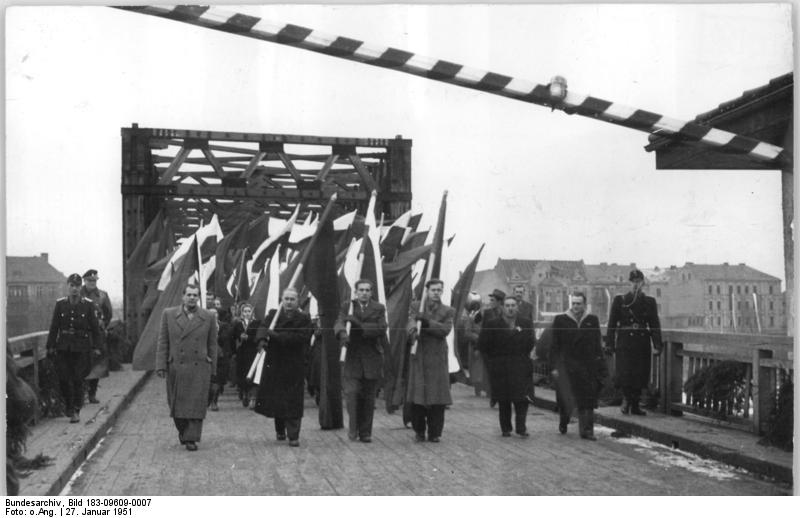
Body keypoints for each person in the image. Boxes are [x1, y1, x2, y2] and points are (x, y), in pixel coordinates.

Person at [156, 284, 218, 451]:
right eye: (189, 294)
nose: (192, 298)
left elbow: (213, 344)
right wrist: (161, 365)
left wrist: (214, 369)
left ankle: (191, 438)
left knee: (196, 405)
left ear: (198, 297)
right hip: (176, 366)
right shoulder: (169, 314)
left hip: (200, 367)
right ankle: (184, 430)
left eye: (195, 295)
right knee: (176, 405)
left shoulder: (208, 316)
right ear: (183, 296)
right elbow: (163, 341)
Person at [253, 288, 314, 447]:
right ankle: (280, 430)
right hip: (275, 363)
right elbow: (262, 327)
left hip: (294, 364)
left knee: (293, 400)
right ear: (282, 300)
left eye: (292, 299)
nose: (288, 302)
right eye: (286, 299)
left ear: (297, 301)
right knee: (277, 398)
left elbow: (301, 337)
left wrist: (276, 336)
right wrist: (261, 340)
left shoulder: (304, 319)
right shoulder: (273, 315)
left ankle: (293, 435)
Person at [335, 279, 388, 443]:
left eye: (367, 290)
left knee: (368, 398)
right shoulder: (347, 306)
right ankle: (353, 430)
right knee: (352, 395)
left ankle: (365, 432)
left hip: (371, 358)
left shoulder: (378, 308)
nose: (364, 293)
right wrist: (343, 334)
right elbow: (338, 322)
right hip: (352, 357)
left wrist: (358, 325)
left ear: (371, 292)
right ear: (356, 292)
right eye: (361, 290)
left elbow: (381, 328)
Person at [46, 273, 102, 423]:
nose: (75, 289)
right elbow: (54, 327)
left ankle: (76, 410)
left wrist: (97, 346)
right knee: (63, 379)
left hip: (82, 348)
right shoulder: (60, 304)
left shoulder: (88, 304)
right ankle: (69, 406)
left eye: (77, 286)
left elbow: (95, 328)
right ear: (68, 286)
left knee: (78, 380)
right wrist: (50, 346)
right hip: (63, 348)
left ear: (80, 287)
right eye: (72, 286)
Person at [551, 292, 607, 440]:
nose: (576, 306)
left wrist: (600, 364)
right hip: (567, 366)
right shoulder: (561, 320)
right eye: (574, 303)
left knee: (587, 399)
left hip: (586, 367)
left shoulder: (591, 320)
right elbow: (555, 346)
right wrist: (555, 367)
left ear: (584, 304)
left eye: (579, 304)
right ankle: (564, 420)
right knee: (565, 399)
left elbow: (597, 344)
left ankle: (587, 431)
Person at [607, 269, 663, 416]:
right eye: (633, 282)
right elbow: (612, 324)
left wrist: (657, 344)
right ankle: (626, 400)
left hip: (641, 341)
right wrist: (610, 344)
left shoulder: (649, 302)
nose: (635, 285)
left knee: (640, 373)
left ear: (643, 283)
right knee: (625, 372)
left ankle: (636, 404)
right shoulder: (620, 300)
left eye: (638, 282)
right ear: (628, 283)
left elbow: (654, 324)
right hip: (625, 342)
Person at [406, 279, 455, 443]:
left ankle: (435, 432)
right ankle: (419, 430)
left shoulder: (448, 310)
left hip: (436, 357)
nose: (436, 293)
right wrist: (414, 330)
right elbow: (410, 321)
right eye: (433, 290)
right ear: (426, 291)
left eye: (439, 290)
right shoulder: (416, 306)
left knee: (437, 396)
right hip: (419, 354)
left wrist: (427, 322)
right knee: (418, 395)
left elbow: (445, 330)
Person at [478, 296, 535, 437]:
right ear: (503, 307)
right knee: (504, 399)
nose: (510, 308)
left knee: (522, 398)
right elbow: (483, 345)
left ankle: (521, 427)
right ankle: (506, 428)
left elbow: (530, 342)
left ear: (517, 307)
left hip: (520, 365)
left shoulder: (525, 323)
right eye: (507, 305)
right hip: (500, 366)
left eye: (513, 305)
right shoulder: (493, 324)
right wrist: (492, 364)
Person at [80, 269, 112, 402]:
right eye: (89, 281)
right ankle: (81, 395)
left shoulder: (102, 295)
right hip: (81, 335)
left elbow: (108, 313)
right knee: (81, 364)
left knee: (97, 365)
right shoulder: (78, 295)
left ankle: (92, 394)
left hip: (97, 336)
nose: (92, 283)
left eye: (94, 281)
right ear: (84, 281)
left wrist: (102, 324)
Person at [472, 288, 505, 405]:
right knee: (491, 372)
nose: (491, 302)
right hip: (491, 349)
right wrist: (478, 347)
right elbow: (483, 331)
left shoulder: (506, 313)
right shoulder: (487, 313)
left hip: (503, 349)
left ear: (500, 301)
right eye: (491, 300)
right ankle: (493, 395)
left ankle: (497, 395)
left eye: (493, 300)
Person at [232, 302, 260, 407]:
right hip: (242, 353)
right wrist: (240, 336)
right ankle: (244, 393)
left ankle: (253, 396)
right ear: (242, 313)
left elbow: (258, 337)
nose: (247, 313)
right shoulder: (238, 323)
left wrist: (249, 338)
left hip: (253, 352)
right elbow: (233, 336)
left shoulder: (256, 323)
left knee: (252, 373)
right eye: (245, 311)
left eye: (249, 311)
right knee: (242, 374)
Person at [209, 307, 234, 412]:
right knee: (210, 381)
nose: (213, 315)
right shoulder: (202, 326)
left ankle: (214, 401)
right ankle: (209, 398)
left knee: (218, 381)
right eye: (210, 313)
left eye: (215, 313)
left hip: (221, 357)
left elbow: (226, 338)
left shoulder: (224, 326)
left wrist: (216, 331)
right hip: (208, 357)